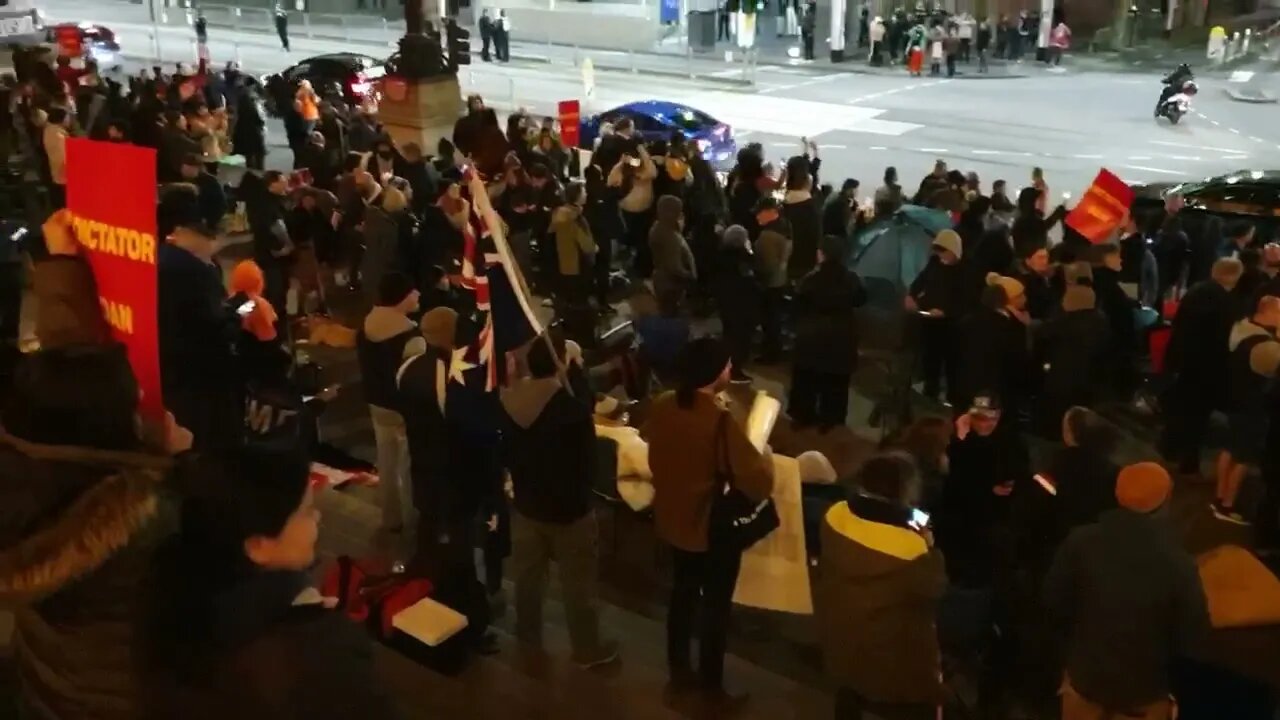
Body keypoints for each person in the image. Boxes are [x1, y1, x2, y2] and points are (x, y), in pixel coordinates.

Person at [142, 446, 399, 719]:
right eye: (306, 511)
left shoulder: (165, 600)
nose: (317, 518)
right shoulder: (312, 651)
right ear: (257, 545)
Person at [643, 337, 773, 706]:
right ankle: (713, 686)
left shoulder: (664, 405)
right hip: (709, 525)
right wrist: (763, 455)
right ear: (716, 374)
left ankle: (679, 669)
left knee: (682, 595)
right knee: (715, 606)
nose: (731, 370)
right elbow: (757, 482)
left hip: (672, 517)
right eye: (727, 365)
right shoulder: (718, 421)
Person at [1045, 462, 1209, 720]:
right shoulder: (1178, 563)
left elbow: (1054, 602)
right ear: (1167, 499)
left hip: (1084, 681)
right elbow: (1191, 635)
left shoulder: (1081, 541)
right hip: (1142, 695)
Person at [500, 333, 619, 668]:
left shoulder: (509, 400)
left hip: (526, 504)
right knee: (578, 586)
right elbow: (588, 466)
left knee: (527, 578)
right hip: (570, 513)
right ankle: (586, 649)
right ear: (561, 365)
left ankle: (527, 636)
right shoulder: (571, 411)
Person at [817, 453, 945, 720]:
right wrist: (930, 545)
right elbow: (936, 589)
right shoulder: (911, 548)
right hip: (890, 662)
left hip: (841, 642)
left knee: (848, 691)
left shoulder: (835, 515)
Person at [357, 273, 426, 543]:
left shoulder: (366, 326)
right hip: (403, 410)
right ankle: (412, 523)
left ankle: (390, 518)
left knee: (385, 462)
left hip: (376, 403)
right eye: (413, 291)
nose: (417, 295)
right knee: (408, 467)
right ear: (402, 297)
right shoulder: (411, 336)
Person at [1160, 258, 1244, 474]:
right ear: (1234, 277)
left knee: (1180, 407)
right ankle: (1189, 462)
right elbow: (1225, 339)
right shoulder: (1226, 302)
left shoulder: (1195, 291)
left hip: (1183, 361)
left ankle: (1169, 449)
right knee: (1197, 417)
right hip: (1208, 367)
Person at [790, 234, 867, 431]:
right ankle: (831, 418)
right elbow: (861, 299)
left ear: (822, 254)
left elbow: (798, 305)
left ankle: (803, 415)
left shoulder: (810, 279)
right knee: (836, 381)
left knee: (807, 379)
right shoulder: (851, 279)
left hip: (812, 335)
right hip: (842, 336)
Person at [1217, 294, 1280, 525]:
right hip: (1252, 408)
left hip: (1234, 401)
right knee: (1244, 457)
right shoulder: (1265, 346)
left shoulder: (1242, 329)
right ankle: (1228, 505)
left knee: (1229, 449)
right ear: (1267, 312)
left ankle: (1219, 495)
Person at [1035, 285, 1108, 434]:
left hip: (1064, 378)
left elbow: (1042, 337)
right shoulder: (1101, 322)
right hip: (1090, 380)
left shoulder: (1062, 324)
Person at [907, 229, 966, 404]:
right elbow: (920, 282)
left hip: (951, 325)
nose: (942, 256)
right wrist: (911, 296)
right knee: (930, 359)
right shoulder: (934, 263)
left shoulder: (964, 271)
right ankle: (929, 393)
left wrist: (946, 312)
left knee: (951, 363)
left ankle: (952, 397)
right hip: (929, 320)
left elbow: (966, 299)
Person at [714, 225, 760, 384]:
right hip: (741, 304)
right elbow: (751, 279)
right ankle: (735, 371)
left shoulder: (719, 255)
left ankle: (725, 368)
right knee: (740, 339)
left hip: (725, 302)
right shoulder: (743, 258)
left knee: (728, 335)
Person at [754, 196, 792, 363]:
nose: (757, 216)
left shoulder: (768, 235)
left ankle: (769, 354)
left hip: (769, 283)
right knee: (775, 318)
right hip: (781, 279)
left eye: (760, 213)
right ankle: (774, 351)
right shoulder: (786, 227)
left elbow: (766, 265)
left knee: (770, 320)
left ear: (771, 212)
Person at [649, 194, 695, 316]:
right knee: (671, 315)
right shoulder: (669, 236)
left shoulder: (659, 228)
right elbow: (674, 265)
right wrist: (689, 276)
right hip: (670, 284)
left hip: (663, 280)